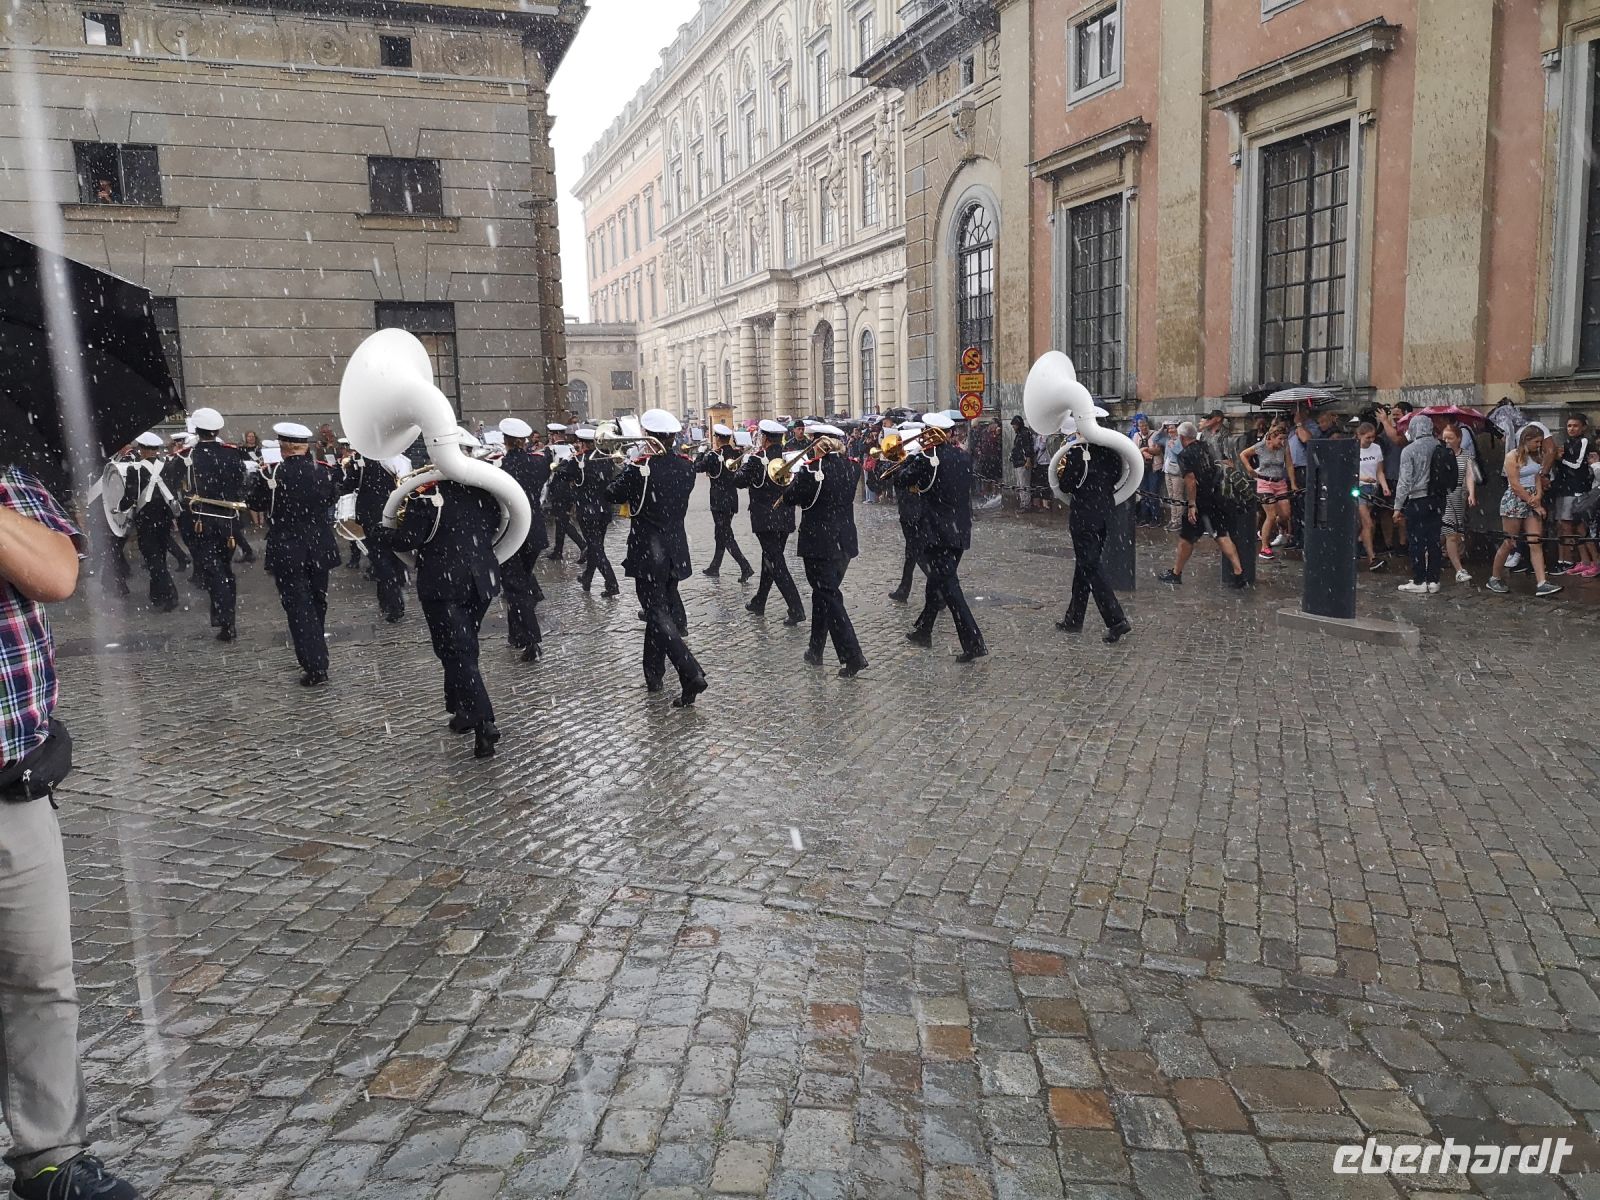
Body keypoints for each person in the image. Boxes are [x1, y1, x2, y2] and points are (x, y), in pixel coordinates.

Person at [0, 463, 145, 1200]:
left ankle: (49, 1157)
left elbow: (56, 573)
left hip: (11, 783)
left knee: (40, 977)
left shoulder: (7, 473)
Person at [392, 429, 505, 757]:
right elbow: (495, 526)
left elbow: (408, 539)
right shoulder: (487, 490)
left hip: (444, 584)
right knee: (463, 648)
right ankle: (461, 710)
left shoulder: (427, 493)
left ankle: (484, 721)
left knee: (456, 652)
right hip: (481, 579)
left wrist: (381, 533)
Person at [606, 410, 708, 707]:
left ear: (649, 436)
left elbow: (612, 494)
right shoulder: (686, 467)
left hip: (649, 551)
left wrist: (628, 465)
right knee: (659, 611)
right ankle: (654, 674)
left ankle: (690, 672)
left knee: (656, 613)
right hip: (675, 550)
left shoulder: (640, 469)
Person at [248, 423, 340, 686]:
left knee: (299, 607)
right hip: (319, 546)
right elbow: (332, 498)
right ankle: (316, 648)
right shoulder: (323, 471)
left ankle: (315, 663)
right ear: (304, 446)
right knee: (317, 601)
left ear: (283, 447)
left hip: (288, 548)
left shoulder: (272, 473)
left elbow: (255, 503)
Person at [896, 413, 987, 663]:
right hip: (960, 529)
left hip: (937, 532)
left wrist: (912, 456)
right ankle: (924, 630)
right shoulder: (963, 457)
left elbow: (902, 480)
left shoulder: (927, 459)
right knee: (936, 582)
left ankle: (974, 643)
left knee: (950, 588)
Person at [780, 425, 868, 678]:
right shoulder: (852, 467)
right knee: (823, 595)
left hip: (819, 543)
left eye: (812, 442)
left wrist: (794, 479)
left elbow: (792, 497)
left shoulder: (811, 470)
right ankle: (815, 649)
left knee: (828, 596)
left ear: (818, 444)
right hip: (844, 542)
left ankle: (853, 656)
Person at [1054, 418, 1131, 643]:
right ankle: (1074, 618)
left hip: (1084, 514)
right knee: (1084, 565)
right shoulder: (1111, 452)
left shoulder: (1078, 452)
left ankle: (1116, 620)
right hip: (1104, 513)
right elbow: (1117, 476)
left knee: (1091, 566)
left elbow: (1066, 484)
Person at [182, 407, 249, 640]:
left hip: (202, 521)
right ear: (217, 430)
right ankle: (228, 618)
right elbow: (243, 482)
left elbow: (176, 486)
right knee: (225, 568)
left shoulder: (188, 457)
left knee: (214, 571)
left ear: (197, 430)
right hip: (229, 521)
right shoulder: (232, 454)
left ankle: (225, 620)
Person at [734, 419, 806, 624]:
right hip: (785, 516)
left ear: (765, 438)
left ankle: (796, 608)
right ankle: (760, 600)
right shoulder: (789, 457)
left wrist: (743, 463)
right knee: (770, 559)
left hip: (765, 519)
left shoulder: (758, 459)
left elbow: (738, 481)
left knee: (776, 563)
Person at [1158, 422, 1246, 588]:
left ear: (1182, 437)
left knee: (1186, 537)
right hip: (1218, 496)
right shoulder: (1207, 446)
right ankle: (1239, 573)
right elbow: (1224, 463)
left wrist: (1192, 505)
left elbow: (1191, 481)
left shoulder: (1185, 455)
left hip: (1201, 500)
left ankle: (1176, 573)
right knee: (1221, 535)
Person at [1486, 425, 1563, 597]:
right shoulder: (1512, 456)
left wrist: (1538, 496)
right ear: (1526, 440)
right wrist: (1532, 501)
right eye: (1536, 442)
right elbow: (1515, 485)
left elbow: (1537, 478)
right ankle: (1494, 577)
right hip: (1515, 500)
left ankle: (1542, 582)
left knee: (1535, 541)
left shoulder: (1536, 457)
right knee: (1509, 542)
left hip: (1532, 499)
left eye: (1540, 442)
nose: (1539, 445)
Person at [497, 417, 550, 660]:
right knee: (519, 582)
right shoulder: (538, 463)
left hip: (511, 531)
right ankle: (516, 634)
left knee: (516, 587)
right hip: (534, 530)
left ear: (506, 440)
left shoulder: (501, 467)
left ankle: (532, 640)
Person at [340, 447, 407, 624]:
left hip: (372, 515)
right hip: (395, 511)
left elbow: (349, 486)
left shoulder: (361, 460)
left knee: (380, 559)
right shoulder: (399, 457)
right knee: (394, 555)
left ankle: (392, 602)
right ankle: (390, 595)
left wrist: (350, 470)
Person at [119, 432, 181, 612]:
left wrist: (119, 507)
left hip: (146, 519)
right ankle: (157, 594)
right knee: (160, 555)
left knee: (153, 559)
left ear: (142, 449)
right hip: (165, 517)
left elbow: (130, 497)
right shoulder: (167, 466)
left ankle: (170, 595)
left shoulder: (135, 469)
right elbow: (172, 489)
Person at [1391, 414, 1451, 595]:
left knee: (1416, 541)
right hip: (1438, 500)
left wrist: (1397, 507)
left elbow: (1404, 481)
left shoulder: (1409, 450)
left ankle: (1419, 580)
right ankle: (1433, 580)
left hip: (1417, 500)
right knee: (1434, 541)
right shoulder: (1440, 446)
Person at [695, 424, 754, 580]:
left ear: (717, 438)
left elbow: (697, 467)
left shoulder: (713, 455)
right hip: (731, 499)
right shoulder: (736, 453)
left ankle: (745, 566)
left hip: (718, 500)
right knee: (720, 533)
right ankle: (715, 567)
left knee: (725, 535)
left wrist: (700, 453)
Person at [570, 426, 620, 597]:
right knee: (596, 546)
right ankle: (587, 577)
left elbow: (562, 474)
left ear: (582, 443)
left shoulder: (578, 460)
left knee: (595, 547)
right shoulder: (606, 458)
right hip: (604, 509)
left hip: (587, 510)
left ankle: (611, 583)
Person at [1239, 423, 1296, 562]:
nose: (1282, 442)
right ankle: (1264, 547)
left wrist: (1293, 483)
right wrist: (1249, 469)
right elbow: (1243, 454)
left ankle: (1269, 529)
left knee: (1285, 515)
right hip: (1264, 482)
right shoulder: (1262, 446)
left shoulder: (1284, 447)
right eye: (1280, 439)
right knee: (1271, 515)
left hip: (1279, 482)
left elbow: (1289, 464)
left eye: (1284, 438)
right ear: (1272, 437)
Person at [887, 422, 930, 603]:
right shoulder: (913, 458)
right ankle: (903, 590)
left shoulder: (917, 460)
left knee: (916, 553)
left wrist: (909, 458)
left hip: (913, 512)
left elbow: (901, 479)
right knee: (911, 553)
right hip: (911, 510)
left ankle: (940, 587)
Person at [1551, 413, 1597, 577]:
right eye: (1569, 426)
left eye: (1575, 426)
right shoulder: (1567, 442)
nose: (1571, 429)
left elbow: (1577, 464)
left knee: (1580, 527)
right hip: (1565, 489)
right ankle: (1584, 561)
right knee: (1569, 526)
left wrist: (1559, 459)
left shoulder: (1584, 442)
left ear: (1584, 427)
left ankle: (1595, 561)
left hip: (1577, 489)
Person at [1439, 421, 1479, 584]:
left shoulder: (1466, 455)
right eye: (1445, 438)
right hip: (1444, 497)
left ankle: (1427, 556)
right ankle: (1459, 570)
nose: (1447, 441)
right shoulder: (1440, 454)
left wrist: (1471, 493)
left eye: (1450, 438)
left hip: (1459, 496)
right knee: (1451, 533)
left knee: (1447, 533)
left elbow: (1469, 475)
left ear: (1459, 438)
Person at [544, 423, 586, 562]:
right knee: (561, 518)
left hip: (557, 487)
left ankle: (583, 545)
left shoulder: (550, 449)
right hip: (569, 487)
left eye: (551, 434)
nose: (550, 437)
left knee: (562, 520)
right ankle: (558, 551)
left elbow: (546, 468)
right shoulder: (571, 448)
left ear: (555, 435)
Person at [1355, 421, 1390, 573]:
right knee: (1367, 523)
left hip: (1372, 488)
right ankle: (1372, 558)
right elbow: (1349, 472)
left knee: (1364, 524)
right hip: (1358, 488)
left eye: (1373, 437)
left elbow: (1379, 471)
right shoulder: (1353, 449)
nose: (1371, 440)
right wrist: (1363, 478)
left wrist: (1384, 486)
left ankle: (1357, 544)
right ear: (1359, 436)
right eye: (1367, 438)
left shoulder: (1376, 448)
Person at [1009, 414, 1034, 511]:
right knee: (1021, 484)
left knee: (1024, 484)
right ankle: (1023, 503)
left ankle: (1026, 504)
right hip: (1018, 462)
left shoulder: (1024, 433)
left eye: (1014, 425)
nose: (1013, 427)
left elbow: (1027, 447)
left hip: (1022, 462)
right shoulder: (1020, 434)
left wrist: (1028, 460)